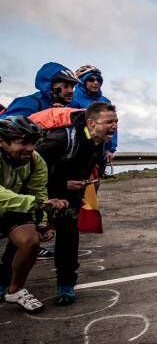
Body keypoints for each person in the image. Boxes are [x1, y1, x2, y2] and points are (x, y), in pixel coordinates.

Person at [35, 102, 118, 305]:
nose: (114, 126)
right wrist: (61, 184)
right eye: (109, 121)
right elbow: (33, 170)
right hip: (41, 190)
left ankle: (66, 286)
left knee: (68, 236)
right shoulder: (62, 139)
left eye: (116, 121)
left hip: (69, 192)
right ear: (91, 123)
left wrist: (79, 189)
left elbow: (87, 164)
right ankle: (5, 283)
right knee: (27, 237)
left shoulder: (101, 139)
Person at [0, 117, 70, 312]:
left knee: (30, 241)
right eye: (23, 142)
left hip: (14, 207)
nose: (30, 148)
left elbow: (39, 191)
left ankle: (15, 290)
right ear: (2, 141)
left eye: (33, 142)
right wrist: (34, 203)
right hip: (11, 202)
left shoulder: (35, 160)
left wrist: (43, 222)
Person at [69, 65, 119, 160]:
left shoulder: (105, 101)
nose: (96, 82)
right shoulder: (72, 99)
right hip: (79, 148)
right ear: (82, 81)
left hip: (101, 149)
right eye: (91, 79)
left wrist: (111, 149)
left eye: (98, 80)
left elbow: (112, 126)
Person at [2, 62, 80, 118]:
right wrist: (46, 116)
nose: (71, 91)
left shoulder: (72, 105)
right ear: (50, 86)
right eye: (65, 86)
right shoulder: (29, 103)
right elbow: (5, 126)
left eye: (72, 87)